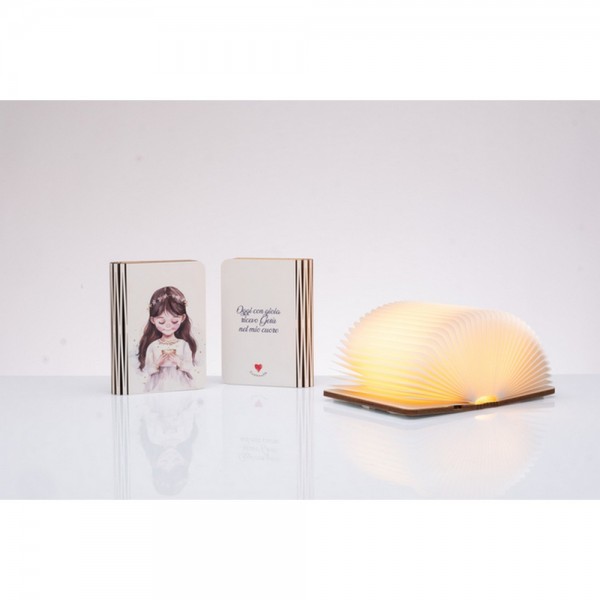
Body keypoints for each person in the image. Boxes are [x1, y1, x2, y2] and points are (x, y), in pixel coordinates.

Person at [138, 286, 198, 392]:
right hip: (157, 386)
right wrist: (157, 364)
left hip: (180, 385)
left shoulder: (183, 345)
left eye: (174, 321)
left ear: (182, 318)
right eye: (161, 322)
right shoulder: (153, 346)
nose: (168, 326)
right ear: (153, 320)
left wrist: (179, 363)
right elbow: (146, 372)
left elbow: (193, 370)